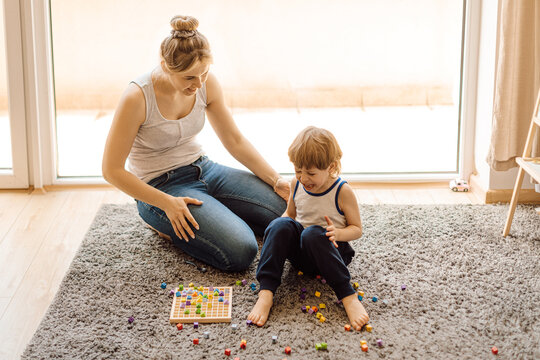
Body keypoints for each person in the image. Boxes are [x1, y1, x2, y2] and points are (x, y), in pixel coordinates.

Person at [102, 15, 289, 272]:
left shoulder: (206, 83)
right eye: (190, 77)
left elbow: (234, 140)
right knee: (242, 250)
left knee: (289, 214)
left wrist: (276, 180)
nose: (199, 83)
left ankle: (222, 216)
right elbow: (111, 170)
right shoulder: (137, 97)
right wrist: (166, 204)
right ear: (166, 66)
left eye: (204, 73)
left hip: (205, 169)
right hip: (162, 188)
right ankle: (160, 222)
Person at [247, 126, 369, 330]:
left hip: (332, 252)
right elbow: (291, 215)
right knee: (280, 224)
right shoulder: (297, 184)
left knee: (313, 233)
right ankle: (266, 292)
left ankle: (348, 296)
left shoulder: (342, 191)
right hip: (302, 254)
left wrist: (337, 233)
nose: (303, 178)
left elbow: (357, 228)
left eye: (311, 173)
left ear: (331, 167)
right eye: (298, 171)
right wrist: (277, 231)